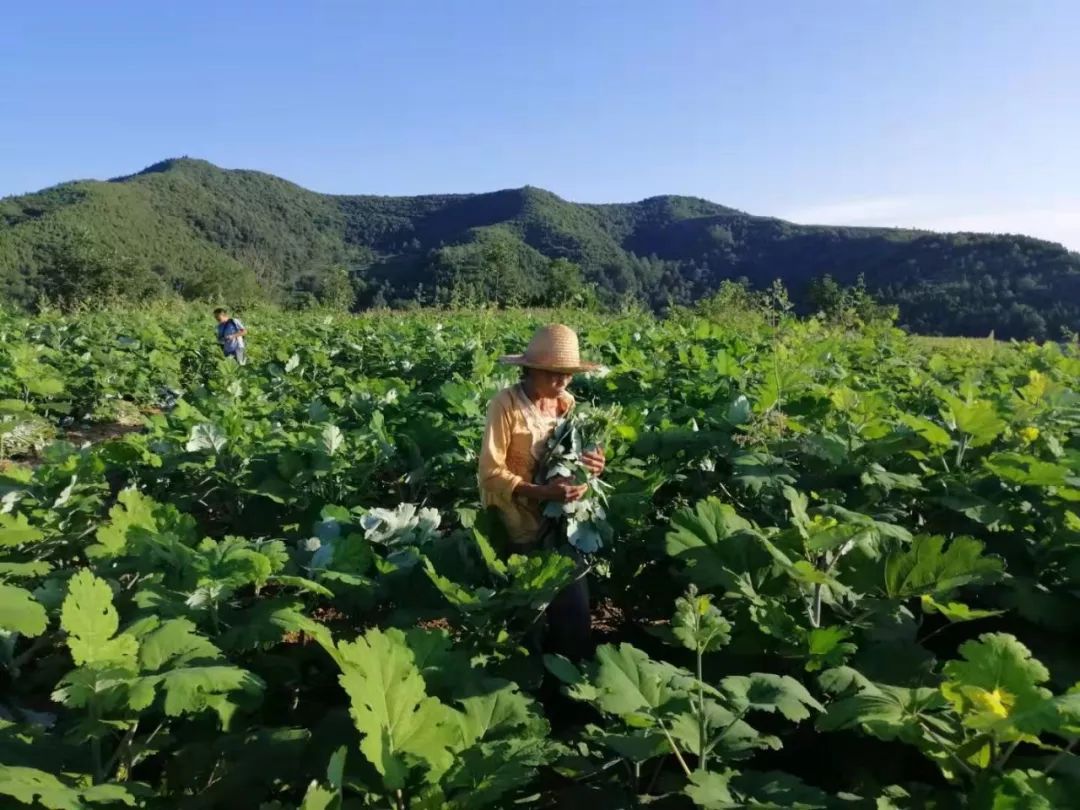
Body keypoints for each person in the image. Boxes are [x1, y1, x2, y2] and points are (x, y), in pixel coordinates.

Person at [478, 324, 606, 659]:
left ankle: (570, 689)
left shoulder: (567, 403)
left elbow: (573, 458)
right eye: (552, 374)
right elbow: (490, 475)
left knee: (574, 618)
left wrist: (592, 466)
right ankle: (528, 684)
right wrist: (541, 492)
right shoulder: (505, 405)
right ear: (530, 369)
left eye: (567, 374)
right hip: (518, 525)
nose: (561, 382)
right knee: (526, 623)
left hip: (562, 526)